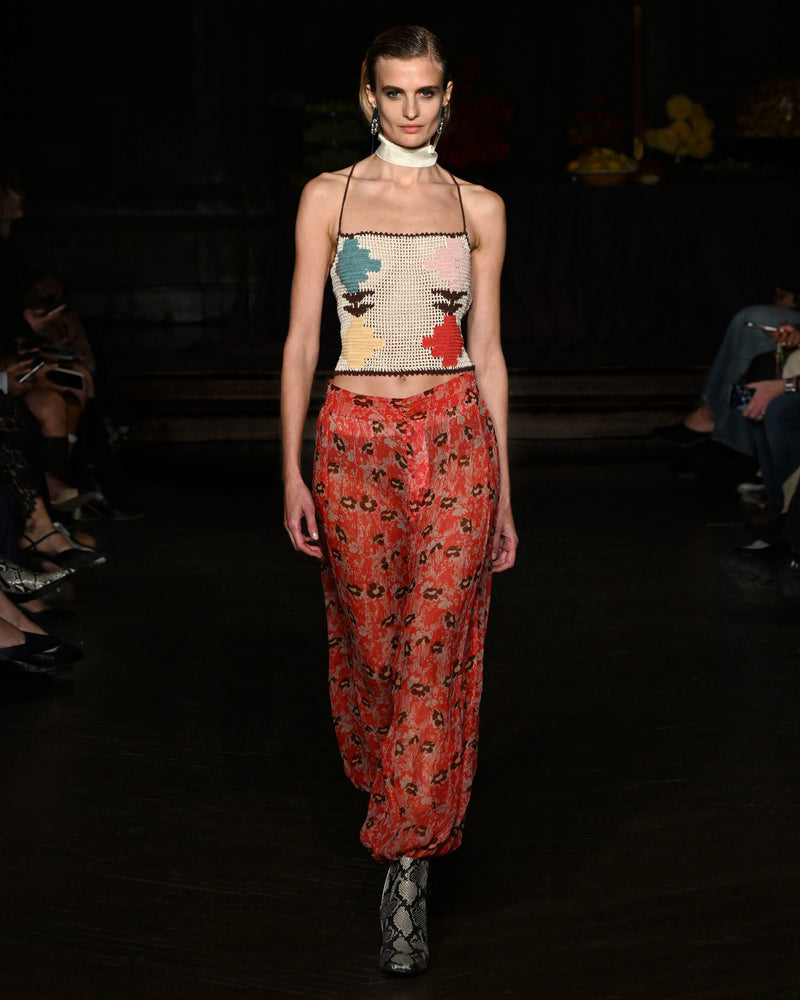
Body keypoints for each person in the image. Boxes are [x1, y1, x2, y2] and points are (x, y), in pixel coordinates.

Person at [280, 25, 518, 977]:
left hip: (457, 435)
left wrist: (505, 496)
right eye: (394, 92)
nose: (411, 109)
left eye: (426, 92)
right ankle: (404, 811)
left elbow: (489, 351)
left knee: (434, 649)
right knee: (376, 651)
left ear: (447, 95)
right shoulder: (329, 197)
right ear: (369, 96)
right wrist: (289, 470)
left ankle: (405, 870)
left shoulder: (478, 207)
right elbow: (302, 342)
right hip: (352, 439)